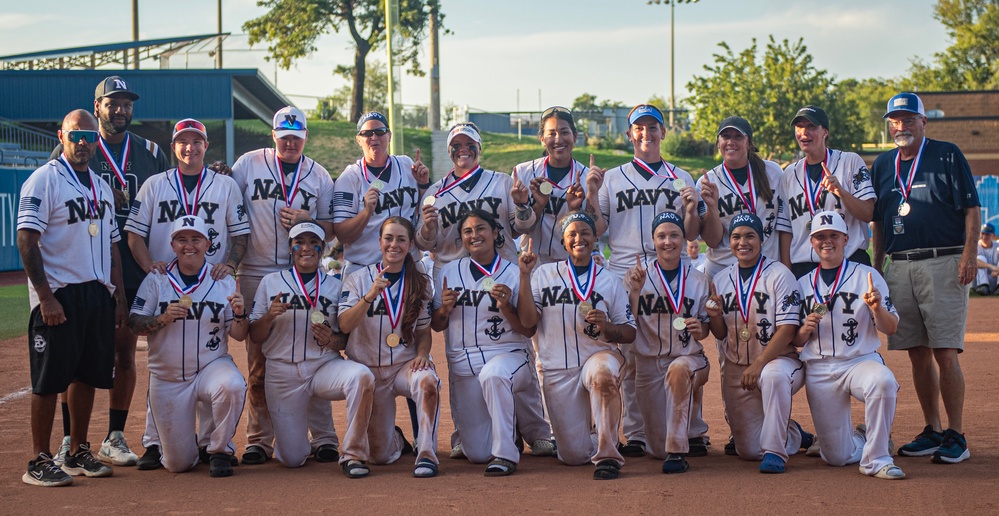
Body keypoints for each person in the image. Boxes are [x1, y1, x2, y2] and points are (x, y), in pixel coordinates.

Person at [48, 76, 170, 468]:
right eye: (112, 103)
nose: (120, 110)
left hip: (133, 262)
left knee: (125, 350)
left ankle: (114, 436)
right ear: (97, 107)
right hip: (86, 259)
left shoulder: (152, 151)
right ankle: (71, 440)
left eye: (126, 104)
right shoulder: (73, 148)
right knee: (75, 353)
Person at [124, 117, 249, 469]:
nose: (189, 147)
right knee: (165, 361)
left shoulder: (224, 185)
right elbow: (134, 234)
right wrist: (151, 268)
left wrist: (232, 266)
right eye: (183, 141)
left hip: (211, 279)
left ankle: (217, 447)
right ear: (173, 146)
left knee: (213, 359)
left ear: (206, 146)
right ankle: (155, 442)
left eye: (196, 141)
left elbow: (240, 233)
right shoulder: (153, 185)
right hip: (167, 278)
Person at [17, 109, 126, 486]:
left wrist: (119, 297)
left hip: (97, 294)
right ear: (61, 136)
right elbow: (27, 241)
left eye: (89, 137)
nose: (83, 143)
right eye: (76, 135)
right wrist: (45, 297)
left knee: (87, 375)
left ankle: (78, 450)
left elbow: (113, 246)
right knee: (49, 381)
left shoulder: (100, 185)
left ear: (98, 140)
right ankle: (38, 459)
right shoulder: (43, 180)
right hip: (60, 294)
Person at [870, 92, 980, 465]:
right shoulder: (883, 164)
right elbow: (879, 220)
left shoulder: (946, 154)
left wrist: (969, 253)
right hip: (899, 264)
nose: (900, 126)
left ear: (923, 122)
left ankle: (957, 433)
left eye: (907, 119)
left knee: (945, 351)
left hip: (943, 260)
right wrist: (878, 261)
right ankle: (932, 429)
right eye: (894, 120)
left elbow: (971, 208)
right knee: (916, 352)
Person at [230, 106, 338, 466]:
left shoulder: (319, 175)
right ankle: (259, 440)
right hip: (256, 270)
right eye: (283, 137)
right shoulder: (248, 164)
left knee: (315, 352)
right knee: (258, 360)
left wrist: (310, 219)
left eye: (296, 137)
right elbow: (229, 204)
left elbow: (332, 228)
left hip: (304, 268)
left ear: (305, 137)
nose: (290, 143)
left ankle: (323, 437)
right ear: (273, 136)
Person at [592, 104, 702, 458]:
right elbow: (598, 228)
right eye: (638, 128)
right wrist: (592, 194)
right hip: (625, 270)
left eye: (652, 127)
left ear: (663, 132)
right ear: (629, 135)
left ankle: (692, 428)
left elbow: (695, 231)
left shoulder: (681, 176)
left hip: (673, 268)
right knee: (632, 353)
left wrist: (691, 209)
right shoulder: (613, 177)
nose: (646, 134)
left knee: (682, 347)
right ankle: (637, 432)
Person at [431, 210, 552, 476]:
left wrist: (508, 306)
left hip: (509, 355)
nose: (475, 235)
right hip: (465, 363)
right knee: (477, 453)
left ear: (496, 233)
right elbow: (437, 324)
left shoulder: (513, 271)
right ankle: (509, 430)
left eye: (481, 228)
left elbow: (528, 328)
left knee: (494, 374)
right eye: (468, 231)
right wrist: (445, 310)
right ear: (462, 238)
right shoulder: (448, 272)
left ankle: (505, 455)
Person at [517, 212, 637, 480]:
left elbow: (629, 332)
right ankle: (594, 436)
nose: (579, 238)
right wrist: (524, 276)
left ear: (595, 238)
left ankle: (608, 453)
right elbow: (527, 323)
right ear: (563, 240)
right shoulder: (542, 274)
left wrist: (607, 328)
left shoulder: (609, 281)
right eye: (572, 233)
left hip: (598, 355)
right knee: (574, 456)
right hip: (557, 367)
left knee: (603, 375)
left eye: (585, 232)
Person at [248, 221, 374, 473]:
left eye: (313, 243)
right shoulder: (270, 282)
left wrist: (330, 339)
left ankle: (352, 454)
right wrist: (269, 317)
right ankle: (305, 440)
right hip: (282, 371)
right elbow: (254, 336)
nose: (306, 248)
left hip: (322, 366)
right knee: (291, 459)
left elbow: (344, 339)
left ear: (322, 249)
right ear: (291, 248)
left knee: (361, 376)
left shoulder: (336, 286)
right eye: (299, 243)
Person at [128, 215, 248, 477]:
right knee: (177, 464)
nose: (189, 245)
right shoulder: (157, 280)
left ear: (207, 244)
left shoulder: (222, 280)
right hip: (169, 376)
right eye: (182, 239)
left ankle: (218, 450)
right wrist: (161, 319)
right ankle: (179, 444)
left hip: (210, 367)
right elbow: (134, 323)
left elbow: (238, 335)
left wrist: (240, 314)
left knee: (233, 385)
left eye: (196, 239)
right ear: (172, 245)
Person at [793, 211, 904, 480]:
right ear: (812, 242)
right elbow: (794, 341)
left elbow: (890, 328)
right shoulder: (802, 283)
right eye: (820, 236)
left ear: (846, 239)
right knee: (836, 457)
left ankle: (878, 459)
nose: (827, 241)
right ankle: (862, 437)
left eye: (833, 235)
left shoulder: (868, 276)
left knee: (883, 381)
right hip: (819, 369)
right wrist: (803, 331)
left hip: (859, 360)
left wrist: (877, 308)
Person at [704, 214, 812, 474]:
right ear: (729, 242)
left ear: (761, 240)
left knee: (773, 377)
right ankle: (794, 433)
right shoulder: (720, 280)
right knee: (749, 450)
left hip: (778, 361)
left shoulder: (780, 275)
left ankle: (776, 451)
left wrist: (760, 365)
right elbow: (719, 335)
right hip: (736, 366)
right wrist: (715, 317)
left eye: (750, 235)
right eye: (736, 236)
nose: (743, 242)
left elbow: (788, 330)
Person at [338, 217, 440, 478]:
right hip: (368, 370)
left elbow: (423, 330)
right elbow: (345, 325)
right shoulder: (357, 279)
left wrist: (421, 354)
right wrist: (369, 296)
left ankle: (426, 453)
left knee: (427, 380)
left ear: (409, 245)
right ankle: (395, 437)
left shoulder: (420, 281)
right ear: (379, 242)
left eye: (401, 239)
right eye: (389, 238)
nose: (394, 244)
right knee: (381, 456)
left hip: (403, 366)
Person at [625, 212, 712, 474]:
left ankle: (677, 452)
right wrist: (636, 291)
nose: (668, 241)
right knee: (655, 450)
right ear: (653, 241)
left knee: (679, 370)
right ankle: (679, 440)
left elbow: (707, 329)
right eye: (661, 236)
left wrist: (701, 328)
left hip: (689, 359)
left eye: (674, 235)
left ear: (683, 239)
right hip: (649, 364)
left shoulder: (699, 279)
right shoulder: (636, 277)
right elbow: (629, 322)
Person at [417, 122, 535, 277]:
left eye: (470, 144)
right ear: (448, 151)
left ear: (479, 147)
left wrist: (522, 204)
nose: (463, 149)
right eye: (456, 145)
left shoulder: (502, 182)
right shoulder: (435, 193)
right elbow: (423, 244)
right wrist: (428, 228)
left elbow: (523, 227)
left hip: (501, 273)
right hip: (452, 278)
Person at [776, 105, 876, 278]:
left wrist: (842, 193)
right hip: (804, 267)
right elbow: (786, 230)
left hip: (849, 261)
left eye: (811, 127)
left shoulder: (849, 161)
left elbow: (868, 213)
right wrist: (787, 272)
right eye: (799, 127)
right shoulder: (789, 174)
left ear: (825, 132)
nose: (804, 132)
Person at [332, 111, 430, 278]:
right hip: (364, 269)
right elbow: (342, 234)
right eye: (367, 133)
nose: (374, 137)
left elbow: (424, 209)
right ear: (358, 139)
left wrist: (423, 184)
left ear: (389, 135)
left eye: (380, 131)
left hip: (408, 268)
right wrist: (366, 212)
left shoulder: (406, 164)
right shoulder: (349, 178)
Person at [699, 116, 782, 278]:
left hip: (768, 268)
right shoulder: (708, 182)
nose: (731, 141)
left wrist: (786, 267)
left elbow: (784, 225)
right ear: (718, 143)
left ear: (749, 143)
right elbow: (712, 241)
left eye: (738, 137)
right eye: (726, 136)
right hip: (723, 269)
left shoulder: (773, 172)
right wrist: (712, 207)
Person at [512, 106, 590, 265]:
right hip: (534, 263)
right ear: (542, 139)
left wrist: (574, 210)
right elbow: (516, 230)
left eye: (564, 132)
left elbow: (596, 233)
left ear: (575, 136)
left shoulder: (588, 178)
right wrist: (538, 205)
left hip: (574, 265)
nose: (558, 139)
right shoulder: (523, 172)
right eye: (551, 133)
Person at [975, 223, 998, 295]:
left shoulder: (997, 246)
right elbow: (975, 262)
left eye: (987, 234)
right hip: (979, 282)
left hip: (996, 278)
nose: (984, 236)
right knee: (980, 258)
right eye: (983, 233)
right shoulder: (976, 246)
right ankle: (983, 287)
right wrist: (991, 267)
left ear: (993, 235)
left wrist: (998, 270)